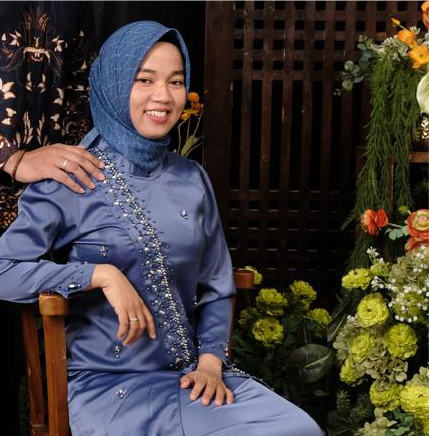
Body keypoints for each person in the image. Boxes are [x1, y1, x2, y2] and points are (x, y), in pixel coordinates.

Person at [0, 21, 323, 436]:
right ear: (114, 84)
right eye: (144, 80)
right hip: (108, 388)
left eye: (176, 81)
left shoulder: (191, 178)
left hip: (193, 380)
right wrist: (99, 275)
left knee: (298, 429)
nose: (163, 96)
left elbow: (217, 285)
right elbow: (4, 269)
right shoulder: (70, 174)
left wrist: (211, 362)